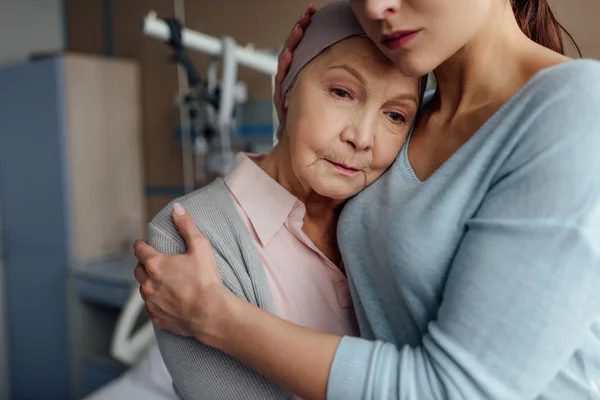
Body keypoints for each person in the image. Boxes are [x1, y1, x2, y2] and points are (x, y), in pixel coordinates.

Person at [134, 0, 600, 399]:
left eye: (392, 115)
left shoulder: (576, 109)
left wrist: (215, 316)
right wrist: (298, 117)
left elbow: (455, 391)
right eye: (340, 92)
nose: (376, 8)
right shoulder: (416, 118)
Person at [136, 2, 422, 399]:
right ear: (286, 86)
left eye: (396, 116)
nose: (363, 137)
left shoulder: (387, 223)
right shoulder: (187, 231)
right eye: (341, 92)